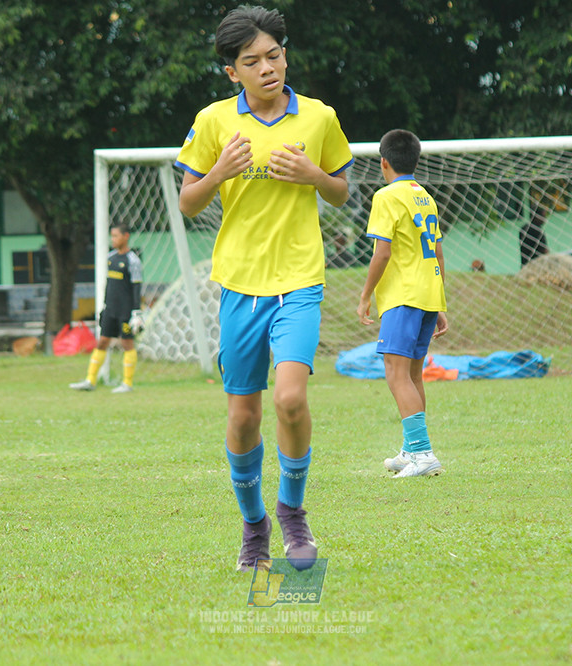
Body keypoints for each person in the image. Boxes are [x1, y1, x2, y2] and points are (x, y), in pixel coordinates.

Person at [175, 5, 353, 572]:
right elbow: (187, 202)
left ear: (284, 54)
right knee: (244, 416)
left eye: (273, 55)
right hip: (238, 286)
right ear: (233, 72)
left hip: (300, 280)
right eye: (250, 61)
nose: (266, 67)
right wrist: (218, 173)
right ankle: (254, 527)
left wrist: (314, 177)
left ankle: (292, 514)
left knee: (291, 399)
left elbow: (342, 191)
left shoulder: (319, 117)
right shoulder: (212, 123)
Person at [357, 129, 448, 478]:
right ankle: (412, 451)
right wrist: (441, 303)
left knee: (396, 375)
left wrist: (365, 295)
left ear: (384, 162)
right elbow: (437, 251)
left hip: (403, 297)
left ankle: (424, 454)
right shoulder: (424, 196)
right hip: (427, 294)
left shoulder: (386, 196)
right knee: (412, 374)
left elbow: (382, 253)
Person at [69, 222, 144, 393]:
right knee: (102, 341)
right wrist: (104, 306)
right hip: (110, 309)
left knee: (127, 343)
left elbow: (136, 287)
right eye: (112, 236)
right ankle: (90, 380)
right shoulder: (111, 258)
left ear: (126, 237)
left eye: (116, 236)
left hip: (125, 310)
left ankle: (127, 383)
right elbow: (109, 285)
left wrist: (136, 312)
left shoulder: (133, 261)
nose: (113, 239)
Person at [519, 199, 550, 268]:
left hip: (525, 266)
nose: (544, 219)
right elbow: (544, 251)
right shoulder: (538, 231)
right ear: (536, 216)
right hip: (537, 267)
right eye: (543, 216)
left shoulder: (523, 229)